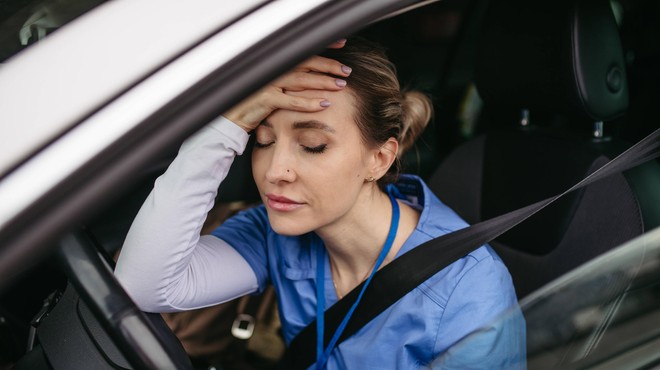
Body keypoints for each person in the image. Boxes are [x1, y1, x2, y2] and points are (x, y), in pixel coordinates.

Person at [115, 37, 525, 369]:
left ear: (379, 159)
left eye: (312, 146)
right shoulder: (271, 230)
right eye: (262, 140)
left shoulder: (467, 293)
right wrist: (228, 126)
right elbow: (145, 285)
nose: (276, 170)